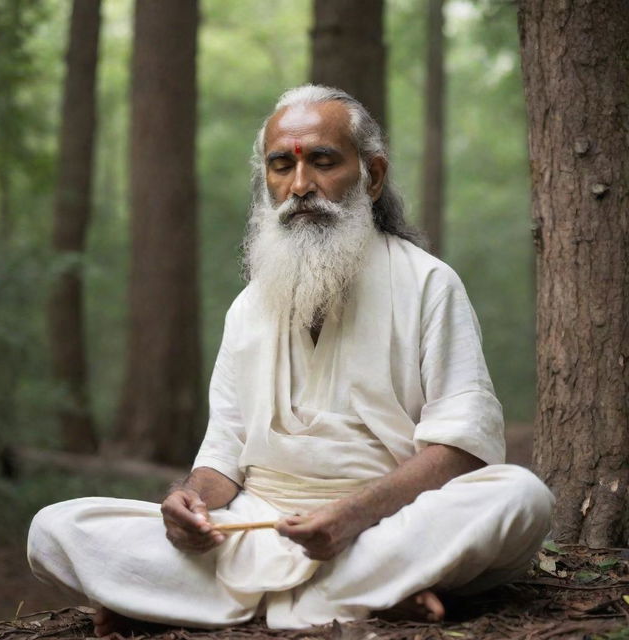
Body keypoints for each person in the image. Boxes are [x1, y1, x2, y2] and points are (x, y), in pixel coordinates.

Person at [28, 85, 554, 635]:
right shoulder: (249, 306)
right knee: (55, 528)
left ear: (371, 176)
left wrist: (353, 516)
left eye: (323, 162)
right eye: (281, 166)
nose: (300, 186)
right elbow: (224, 451)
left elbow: (462, 448)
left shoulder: (429, 284)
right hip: (256, 530)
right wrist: (189, 504)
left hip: (389, 524)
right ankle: (363, 593)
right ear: (268, 180)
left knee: (519, 498)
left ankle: (196, 599)